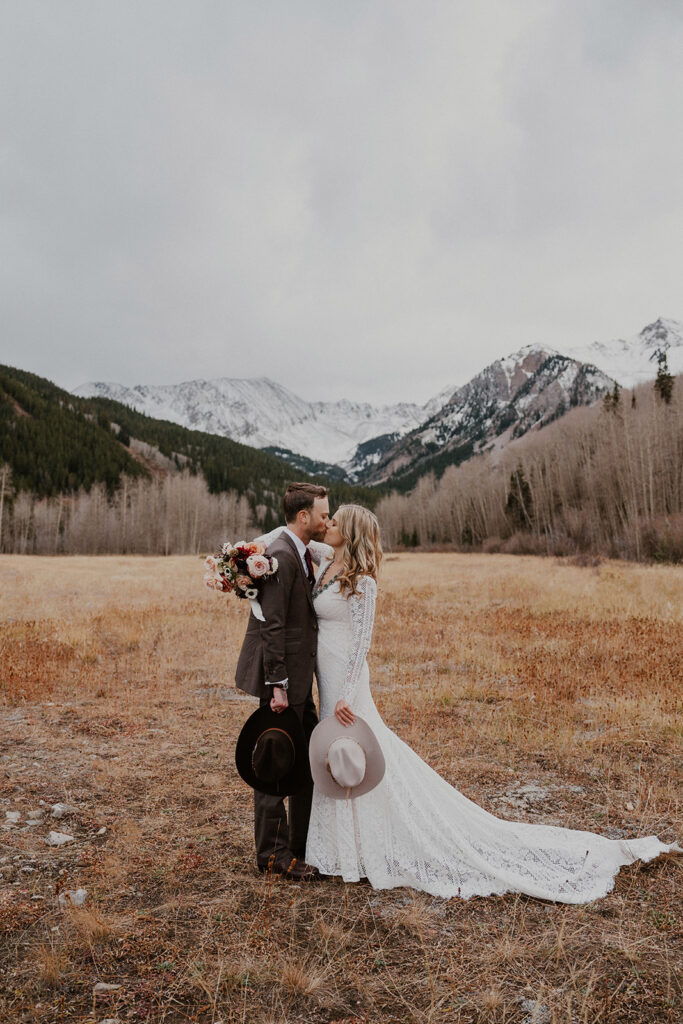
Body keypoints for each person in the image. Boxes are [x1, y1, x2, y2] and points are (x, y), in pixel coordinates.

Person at [257, 505, 680, 902]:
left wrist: (347, 691)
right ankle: (341, 850)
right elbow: (283, 540)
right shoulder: (325, 561)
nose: (325, 525)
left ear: (350, 533)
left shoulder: (363, 582)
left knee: (358, 750)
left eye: (335, 522)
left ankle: (367, 848)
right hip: (323, 677)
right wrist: (242, 561)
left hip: (346, 683)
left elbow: (362, 644)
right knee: (337, 753)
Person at [234, 481, 329, 880]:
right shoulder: (280, 556)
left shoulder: (300, 552)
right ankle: (272, 854)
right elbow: (271, 624)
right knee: (275, 756)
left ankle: (301, 844)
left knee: (305, 758)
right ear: (303, 516)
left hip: (298, 679)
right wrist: (278, 684)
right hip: (284, 681)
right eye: (323, 513)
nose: (328, 519)